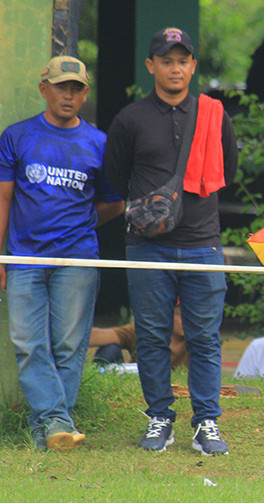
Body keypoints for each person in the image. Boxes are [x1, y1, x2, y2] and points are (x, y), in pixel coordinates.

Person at [104, 27, 238, 455]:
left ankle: (207, 421)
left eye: (182, 61)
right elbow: (116, 178)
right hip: (148, 245)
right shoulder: (130, 119)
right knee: (152, 335)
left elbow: (228, 172)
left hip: (203, 242)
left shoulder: (215, 115)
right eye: (166, 60)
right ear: (151, 67)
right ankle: (160, 416)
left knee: (204, 336)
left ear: (193, 67)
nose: (175, 68)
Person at [0, 56, 124, 451]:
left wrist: (81, 224)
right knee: (28, 342)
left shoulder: (99, 144)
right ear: (44, 89)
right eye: (61, 87)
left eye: (76, 88)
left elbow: (115, 204)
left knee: (70, 345)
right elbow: (3, 200)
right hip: (24, 257)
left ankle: (49, 430)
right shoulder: (17, 137)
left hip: (78, 258)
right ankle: (57, 421)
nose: (68, 95)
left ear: (85, 93)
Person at [90, 301, 188, 369]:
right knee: (109, 349)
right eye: (180, 315)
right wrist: (76, 335)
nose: (188, 320)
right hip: (134, 379)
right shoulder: (146, 330)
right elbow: (104, 335)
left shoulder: (199, 338)